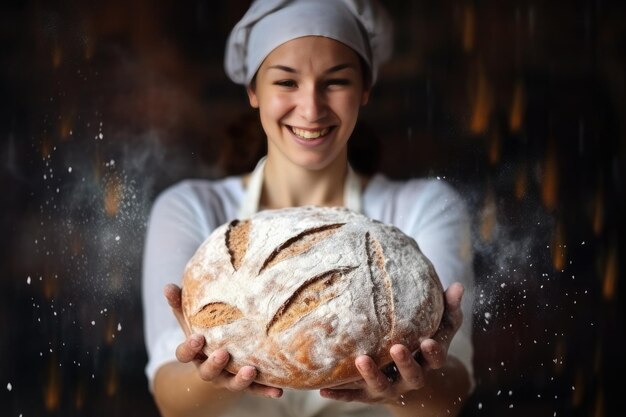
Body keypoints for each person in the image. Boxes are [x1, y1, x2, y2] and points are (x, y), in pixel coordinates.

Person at [141, 0, 475, 416]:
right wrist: (208, 379)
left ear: (364, 89)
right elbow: (171, 401)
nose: (312, 108)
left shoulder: (426, 207)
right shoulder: (189, 208)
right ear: (253, 90)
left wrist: (403, 390)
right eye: (286, 83)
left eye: (335, 82)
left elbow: (453, 395)